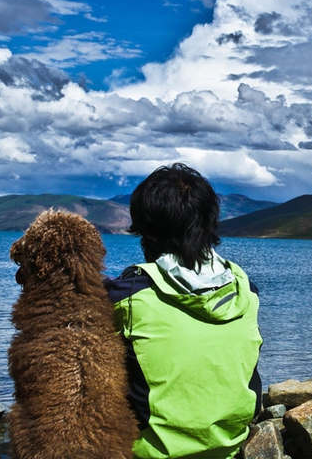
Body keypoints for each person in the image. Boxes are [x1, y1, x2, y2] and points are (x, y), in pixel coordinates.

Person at [106, 163, 262, 459]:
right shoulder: (245, 289)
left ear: (144, 228)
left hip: (148, 451)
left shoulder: (128, 295)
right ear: (209, 223)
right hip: (229, 447)